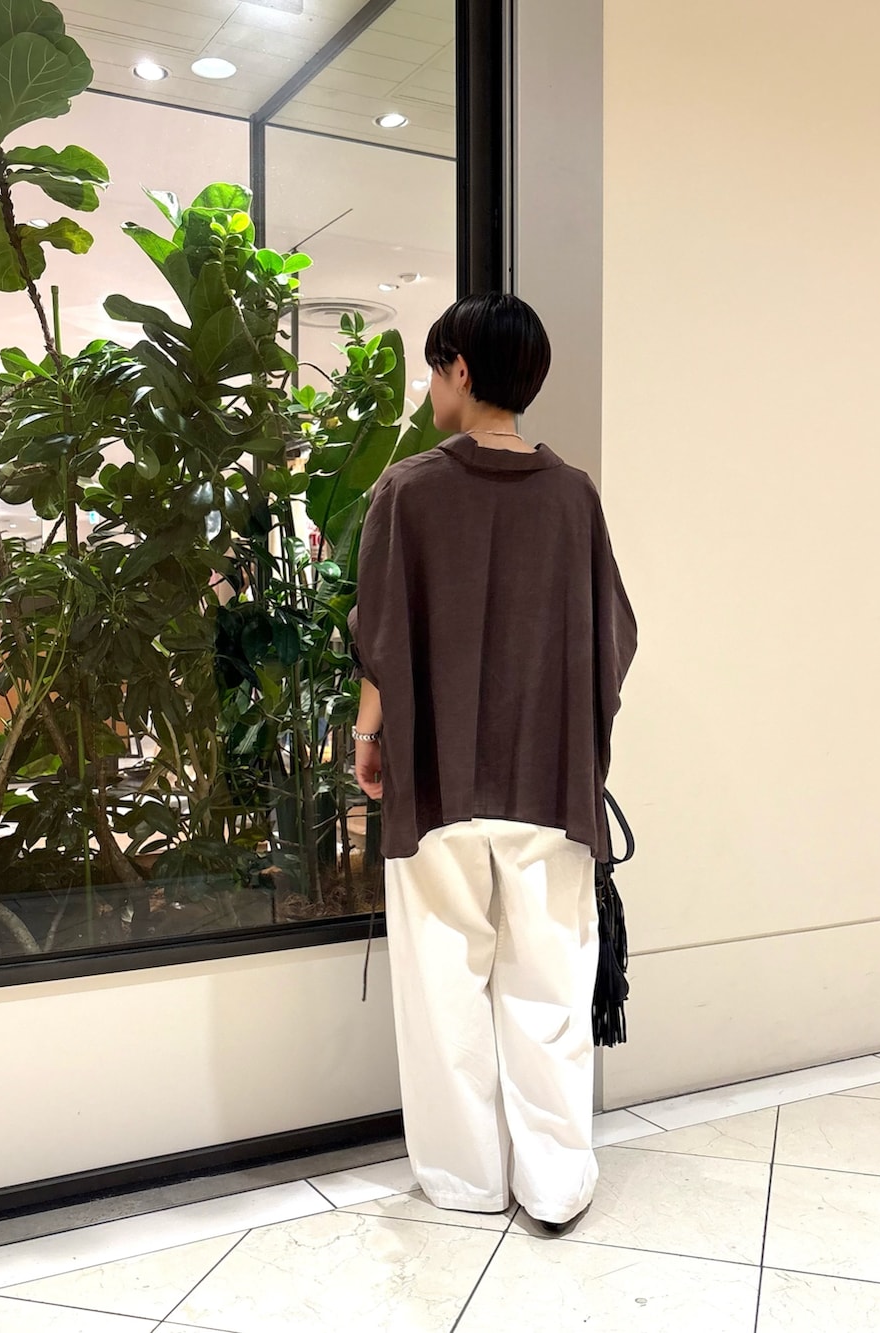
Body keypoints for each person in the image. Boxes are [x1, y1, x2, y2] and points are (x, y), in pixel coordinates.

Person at [347, 292, 636, 1235]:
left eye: (435, 367)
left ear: (462, 370)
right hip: (548, 780)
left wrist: (368, 740)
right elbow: (614, 640)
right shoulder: (574, 496)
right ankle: (555, 1182)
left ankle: (466, 1177)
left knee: (443, 985)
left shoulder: (407, 491)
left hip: (437, 780)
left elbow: (380, 638)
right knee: (549, 983)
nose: (430, 386)